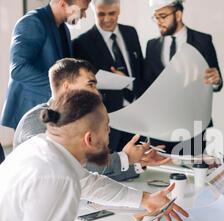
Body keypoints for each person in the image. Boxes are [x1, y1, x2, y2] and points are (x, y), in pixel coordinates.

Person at [0, 90, 189, 221]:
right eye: (107, 128)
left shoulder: (42, 148)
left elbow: (90, 183)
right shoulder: (57, 177)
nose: (110, 137)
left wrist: (145, 199)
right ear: (89, 138)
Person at [14, 58, 172, 182]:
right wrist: (126, 158)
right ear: (67, 87)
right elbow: (80, 167)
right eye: (91, 85)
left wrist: (137, 163)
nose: (97, 93)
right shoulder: (36, 121)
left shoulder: (76, 121)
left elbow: (90, 177)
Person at [143, 0, 223, 155]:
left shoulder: (203, 41)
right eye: (156, 18)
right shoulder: (151, 46)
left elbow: (216, 80)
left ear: (178, 14)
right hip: (161, 126)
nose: (159, 22)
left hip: (193, 125)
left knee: (195, 170)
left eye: (163, 16)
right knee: (161, 172)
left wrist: (216, 81)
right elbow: (148, 85)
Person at [1, 0, 91, 129]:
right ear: (62, 4)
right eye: (81, 10)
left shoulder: (63, 28)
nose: (83, 15)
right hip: (30, 112)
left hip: (51, 111)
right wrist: (60, 86)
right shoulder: (32, 22)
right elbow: (18, 69)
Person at [73, 0, 147, 152]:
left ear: (119, 11)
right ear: (93, 13)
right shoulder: (81, 43)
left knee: (138, 166)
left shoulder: (131, 33)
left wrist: (128, 82)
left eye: (111, 13)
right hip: (106, 120)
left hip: (136, 116)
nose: (107, 19)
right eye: (101, 14)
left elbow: (140, 72)